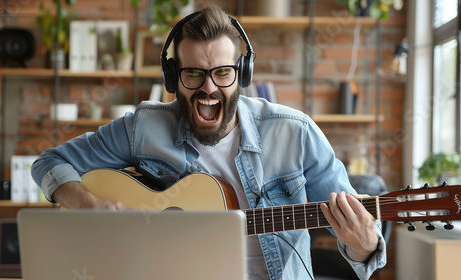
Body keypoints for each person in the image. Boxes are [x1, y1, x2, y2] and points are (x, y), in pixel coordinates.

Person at [31, 5, 386, 280]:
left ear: (242, 74)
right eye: (193, 74)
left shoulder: (296, 133)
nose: (209, 87)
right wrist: (90, 205)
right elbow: (48, 163)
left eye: (222, 73)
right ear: (174, 77)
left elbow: (353, 233)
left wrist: (365, 246)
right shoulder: (144, 128)